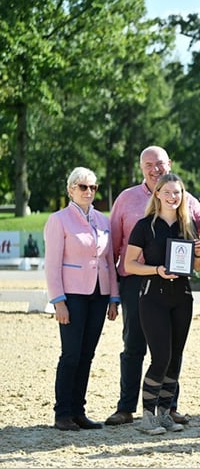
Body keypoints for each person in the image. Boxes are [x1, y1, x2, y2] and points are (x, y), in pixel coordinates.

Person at [106, 146, 200, 426]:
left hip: (178, 288)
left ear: (169, 164)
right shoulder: (126, 201)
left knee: (172, 352)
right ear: (142, 168)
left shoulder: (190, 207)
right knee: (134, 346)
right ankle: (127, 407)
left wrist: (199, 252)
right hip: (138, 285)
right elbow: (116, 251)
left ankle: (168, 408)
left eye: (159, 163)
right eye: (148, 164)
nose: (154, 168)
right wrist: (114, 294)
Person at [44, 167, 120, 431]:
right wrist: (58, 301)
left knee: (87, 355)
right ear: (71, 189)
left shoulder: (103, 220)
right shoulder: (59, 220)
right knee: (71, 355)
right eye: (83, 187)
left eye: (93, 187)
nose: (89, 192)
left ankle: (78, 411)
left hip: (99, 295)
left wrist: (114, 297)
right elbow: (52, 265)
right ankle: (62, 412)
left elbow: (109, 260)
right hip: (72, 295)